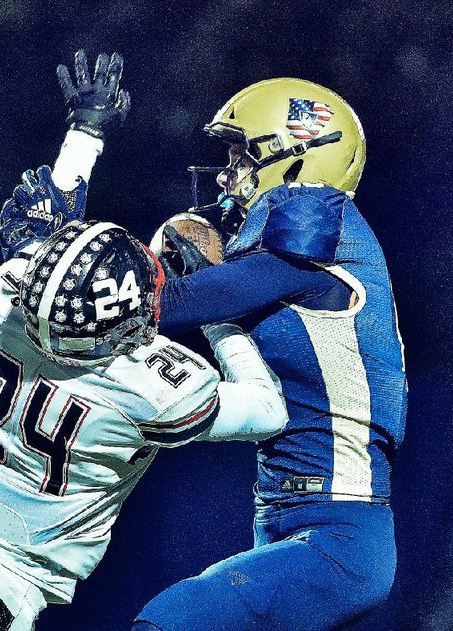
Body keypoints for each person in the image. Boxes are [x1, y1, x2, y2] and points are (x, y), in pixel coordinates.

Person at [0, 51, 287, 631]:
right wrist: (218, 313)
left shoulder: (0, 305)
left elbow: (48, 239)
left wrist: (85, 131)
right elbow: (268, 410)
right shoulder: (148, 388)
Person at [132, 79, 409, 630]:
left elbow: (166, 304)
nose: (224, 175)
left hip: (337, 532)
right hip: (290, 517)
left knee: (173, 619)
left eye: (241, 156)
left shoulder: (312, 248)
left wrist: (56, 263)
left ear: (294, 160)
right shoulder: (303, 254)